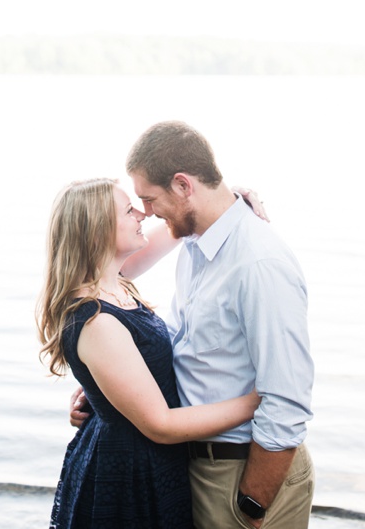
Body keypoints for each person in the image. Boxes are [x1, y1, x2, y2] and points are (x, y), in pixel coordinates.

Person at [123, 122, 315, 529]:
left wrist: (251, 503)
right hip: (198, 467)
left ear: (182, 185)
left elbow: (287, 398)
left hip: (243, 470)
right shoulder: (194, 243)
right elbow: (181, 344)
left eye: (150, 199)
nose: (147, 213)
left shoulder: (259, 264)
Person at [39, 178, 261, 529]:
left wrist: (230, 200)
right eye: (129, 210)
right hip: (131, 473)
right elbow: (160, 425)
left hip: (142, 458)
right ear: (98, 232)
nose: (143, 213)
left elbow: (184, 223)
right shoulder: (97, 321)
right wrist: (257, 400)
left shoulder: (117, 280)